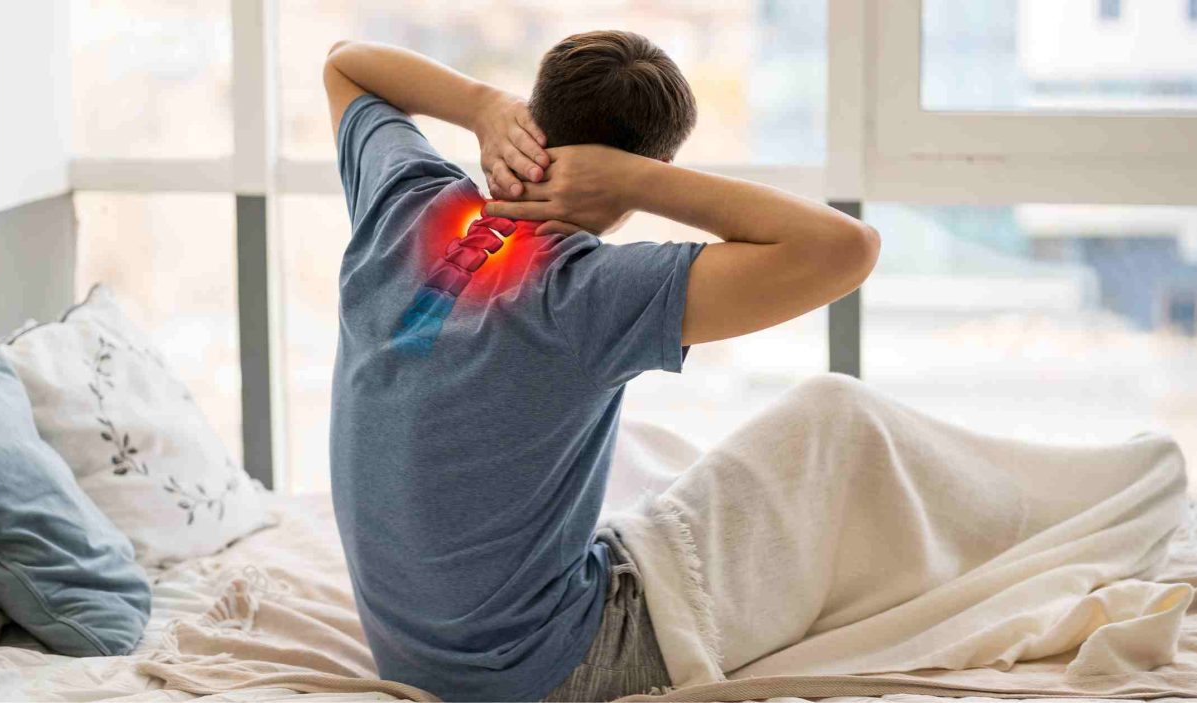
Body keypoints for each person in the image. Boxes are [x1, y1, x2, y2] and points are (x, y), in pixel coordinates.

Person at [323, 30, 879, 702]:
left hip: (408, 653)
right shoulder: (587, 292)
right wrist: (637, 180)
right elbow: (847, 247)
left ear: (537, 110)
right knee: (838, 416)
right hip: (542, 672)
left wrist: (481, 107)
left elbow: (345, 64)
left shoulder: (404, 206)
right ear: (661, 163)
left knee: (641, 458)